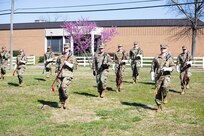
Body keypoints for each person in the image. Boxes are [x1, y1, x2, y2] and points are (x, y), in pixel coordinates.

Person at [150, 44, 175, 112]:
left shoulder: (169, 58)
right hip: (158, 76)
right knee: (157, 92)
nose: (162, 50)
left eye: (164, 48)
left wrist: (167, 68)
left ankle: (165, 96)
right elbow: (152, 67)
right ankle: (159, 106)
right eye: (161, 48)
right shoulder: (156, 57)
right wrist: (152, 75)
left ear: (166, 49)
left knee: (165, 87)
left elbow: (173, 67)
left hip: (166, 75)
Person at [55, 43, 76, 109]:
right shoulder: (60, 56)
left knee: (63, 86)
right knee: (59, 88)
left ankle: (66, 99)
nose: (65, 49)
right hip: (60, 74)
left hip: (67, 74)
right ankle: (61, 100)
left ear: (69, 48)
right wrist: (56, 73)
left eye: (66, 48)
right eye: (64, 48)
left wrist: (68, 64)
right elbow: (57, 65)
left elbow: (75, 66)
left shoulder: (72, 57)